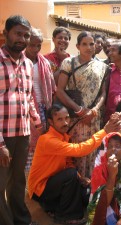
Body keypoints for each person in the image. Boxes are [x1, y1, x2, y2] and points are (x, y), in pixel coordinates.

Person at [28, 104, 120, 225]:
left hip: (54, 185)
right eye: (60, 119)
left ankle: (54, 208)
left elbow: (68, 162)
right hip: (40, 190)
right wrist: (104, 131)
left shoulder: (64, 137)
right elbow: (80, 150)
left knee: (86, 192)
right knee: (71, 175)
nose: (65, 122)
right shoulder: (47, 140)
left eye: (67, 118)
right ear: (50, 122)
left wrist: (81, 178)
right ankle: (65, 217)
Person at [0, 15, 42, 225]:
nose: (22, 39)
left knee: (17, 181)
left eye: (26, 35)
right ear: (5, 33)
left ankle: (21, 220)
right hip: (2, 135)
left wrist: (37, 122)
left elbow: (27, 97)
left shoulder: (27, 63)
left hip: (22, 133)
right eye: (18, 33)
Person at [57, 31, 108, 178]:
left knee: (92, 154)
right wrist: (79, 110)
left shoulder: (102, 66)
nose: (88, 47)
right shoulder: (69, 63)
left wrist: (94, 111)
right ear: (78, 46)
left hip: (93, 118)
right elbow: (60, 91)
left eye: (91, 44)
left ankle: (89, 193)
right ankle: (74, 192)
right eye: (84, 44)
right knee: (75, 153)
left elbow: (103, 93)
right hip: (75, 118)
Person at [25, 27, 56, 171]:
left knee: (41, 145)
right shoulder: (20, 62)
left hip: (43, 108)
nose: (36, 48)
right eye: (32, 44)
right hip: (25, 110)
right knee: (28, 147)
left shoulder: (44, 62)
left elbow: (52, 88)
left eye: (39, 45)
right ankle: (27, 181)